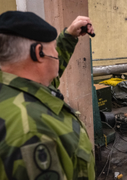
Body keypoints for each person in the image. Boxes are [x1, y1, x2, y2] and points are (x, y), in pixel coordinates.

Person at [0, 11, 95, 180]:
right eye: (53, 48)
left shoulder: (13, 87)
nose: (57, 54)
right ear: (39, 52)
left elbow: (45, 76)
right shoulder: (29, 130)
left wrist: (69, 37)